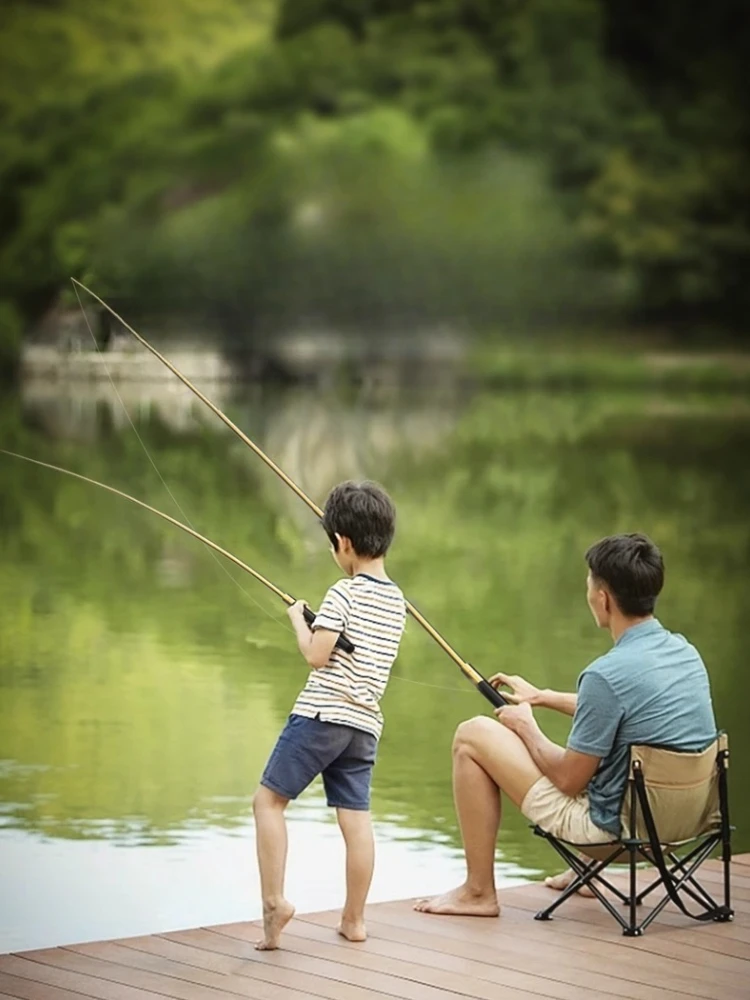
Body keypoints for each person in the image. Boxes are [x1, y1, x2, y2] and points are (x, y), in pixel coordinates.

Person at [415, 532, 717, 916]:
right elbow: (627, 711)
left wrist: (526, 727)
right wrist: (542, 697)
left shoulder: (605, 675)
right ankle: (587, 873)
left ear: (603, 598)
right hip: (683, 825)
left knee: (472, 736)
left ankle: (478, 892)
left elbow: (568, 780)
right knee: (612, 759)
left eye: (590, 584)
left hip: (617, 833)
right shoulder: (684, 653)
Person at [252, 480, 407, 949]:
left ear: (343, 542)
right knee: (356, 820)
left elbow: (317, 656)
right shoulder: (398, 602)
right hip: (364, 725)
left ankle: (274, 903)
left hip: (322, 715)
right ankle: (354, 920)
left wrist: (299, 620)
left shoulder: (342, 593)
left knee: (267, 802)